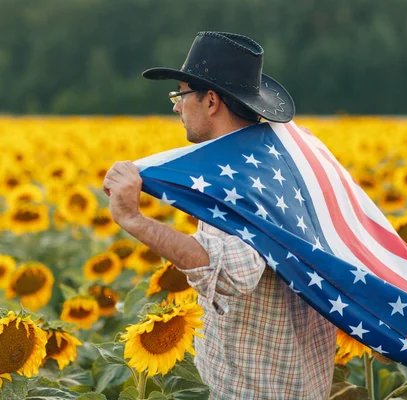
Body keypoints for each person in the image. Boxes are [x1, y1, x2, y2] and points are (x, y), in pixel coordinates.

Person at [103, 31, 337, 399]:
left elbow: (232, 273)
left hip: (255, 389)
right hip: (300, 378)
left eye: (181, 94)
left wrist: (134, 219)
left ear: (210, 101)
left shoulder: (236, 181)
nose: (176, 107)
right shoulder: (280, 162)